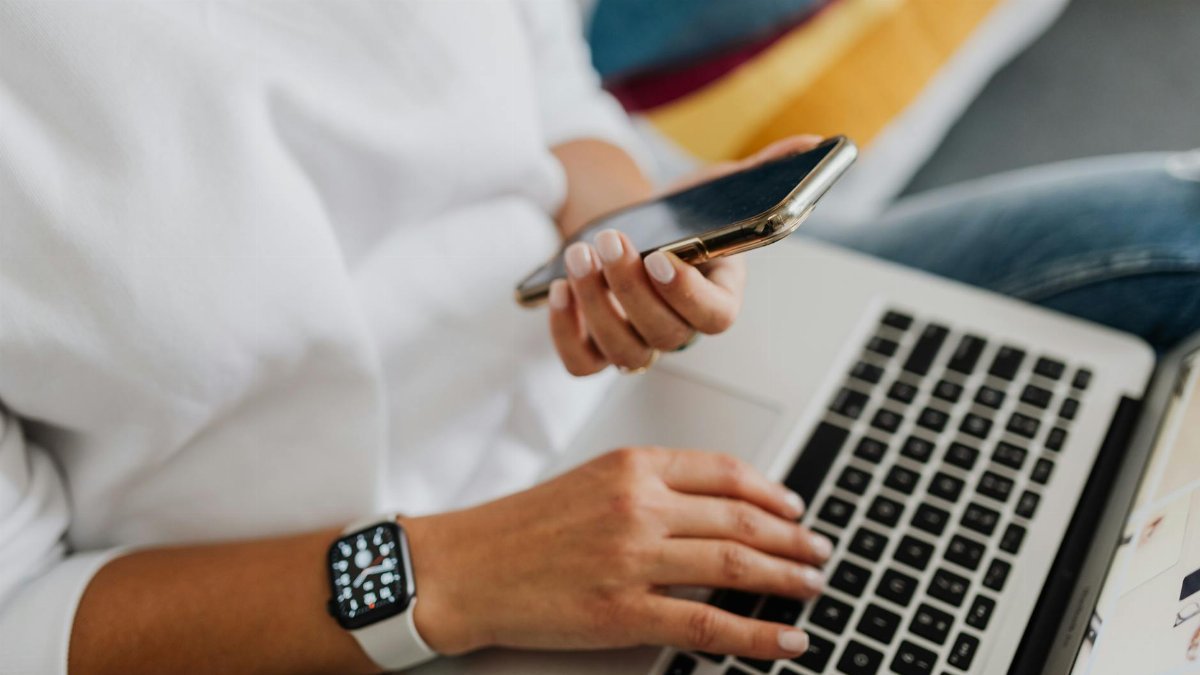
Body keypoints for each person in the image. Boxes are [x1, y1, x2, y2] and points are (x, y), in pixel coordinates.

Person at [0, 3, 1197, 675]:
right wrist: (457, 571)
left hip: (680, 368)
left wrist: (626, 231)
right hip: (387, 609)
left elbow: (551, 88)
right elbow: (24, 626)